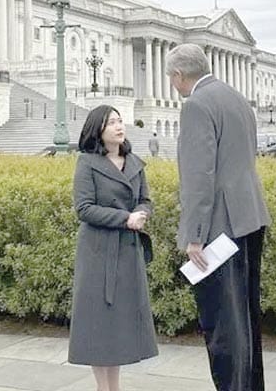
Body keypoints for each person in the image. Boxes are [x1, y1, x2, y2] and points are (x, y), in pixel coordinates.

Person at [165, 43, 271, 391]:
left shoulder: (196, 105)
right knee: (246, 319)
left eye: (172, 78)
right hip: (250, 216)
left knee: (224, 324)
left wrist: (194, 235)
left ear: (179, 75)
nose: (173, 84)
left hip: (219, 228)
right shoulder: (235, 97)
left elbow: (199, 177)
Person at [68, 104, 158, 391]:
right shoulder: (86, 163)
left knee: (118, 324)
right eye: (112, 123)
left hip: (127, 252)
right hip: (97, 252)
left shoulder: (135, 162)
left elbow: (145, 199)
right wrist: (124, 218)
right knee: (99, 324)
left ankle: (113, 387)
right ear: (99, 130)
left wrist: (142, 213)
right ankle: (103, 388)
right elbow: (84, 208)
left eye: (120, 121)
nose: (119, 127)